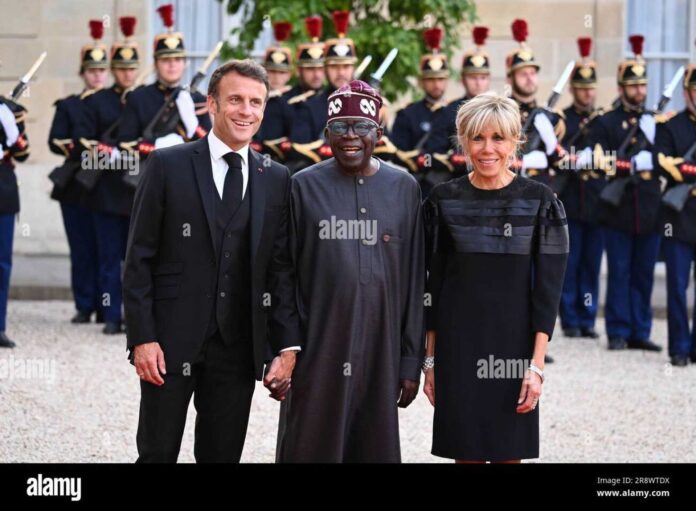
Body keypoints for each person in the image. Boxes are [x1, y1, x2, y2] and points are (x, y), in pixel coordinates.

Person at [123, 60, 302, 463]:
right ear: (212, 105)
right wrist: (142, 337)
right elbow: (138, 257)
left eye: (256, 102)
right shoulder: (167, 165)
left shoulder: (275, 177)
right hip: (168, 341)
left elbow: (280, 270)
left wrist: (287, 347)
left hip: (237, 346)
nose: (246, 111)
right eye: (235, 99)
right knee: (156, 453)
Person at [276, 80, 425, 463]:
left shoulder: (404, 187)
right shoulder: (302, 187)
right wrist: (287, 348)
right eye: (340, 127)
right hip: (318, 350)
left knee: (371, 447)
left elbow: (413, 282)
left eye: (362, 127)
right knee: (310, 446)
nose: (350, 137)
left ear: (379, 132)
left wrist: (411, 360)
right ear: (327, 133)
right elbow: (283, 275)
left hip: (382, 350)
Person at [423, 92, 568, 462]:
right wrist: (430, 361)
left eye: (498, 138)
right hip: (457, 349)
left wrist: (536, 367)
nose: (487, 149)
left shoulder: (541, 201)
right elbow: (432, 288)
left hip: (514, 350)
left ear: (515, 142)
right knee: (465, 453)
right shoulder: (442, 200)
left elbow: (547, 294)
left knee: (509, 453)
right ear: (464, 141)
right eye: (477, 138)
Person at [590, 35, 662, 352]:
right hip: (617, 207)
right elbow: (599, 161)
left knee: (643, 272)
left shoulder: (656, 122)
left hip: (648, 207)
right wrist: (629, 163)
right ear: (621, 87)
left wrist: (654, 151)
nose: (639, 91)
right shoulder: (606, 122)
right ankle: (618, 329)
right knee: (619, 271)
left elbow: (667, 158)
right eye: (633, 86)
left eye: (643, 85)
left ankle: (640, 329)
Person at [78, 16, 140, 335]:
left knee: (138, 260)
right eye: (122, 68)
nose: (128, 74)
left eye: (132, 68)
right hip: (106, 188)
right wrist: (109, 151)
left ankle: (135, 316)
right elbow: (85, 140)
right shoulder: (98, 100)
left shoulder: (145, 99)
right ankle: (110, 314)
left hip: (138, 190)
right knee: (108, 257)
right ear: (113, 69)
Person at [48, 19, 107, 325]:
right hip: (76, 184)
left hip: (107, 185)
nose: (97, 75)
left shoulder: (116, 103)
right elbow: (55, 140)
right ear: (83, 73)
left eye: (101, 70)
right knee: (81, 247)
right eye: (92, 70)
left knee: (107, 249)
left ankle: (108, 306)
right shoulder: (69, 105)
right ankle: (85, 304)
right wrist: (81, 147)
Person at [118, 3, 210, 164]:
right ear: (155, 64)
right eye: (165, 60)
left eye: (177, 59)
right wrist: (157, 147)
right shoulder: (138, 97)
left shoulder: (198, 98)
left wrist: (194, 127)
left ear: (185, 63)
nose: (172, 65)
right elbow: (125, 144)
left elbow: (210, 147)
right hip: (150, 177)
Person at [557, 37, 605, 339]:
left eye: (591, 88)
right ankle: (570, 319)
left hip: (598, 201)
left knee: (592, 263)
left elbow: (611, 159)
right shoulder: (563, 121)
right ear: (573, 89)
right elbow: (556, 158)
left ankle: (588, 318)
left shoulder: (602, 121)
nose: (586, 93)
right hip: (571, 199)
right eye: (581, 88)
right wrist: (573, 161)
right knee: (570, 264)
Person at [654, 55, 696, 366]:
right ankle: (679, 347)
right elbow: (666, 165)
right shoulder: (672, 126)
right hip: (679, 219)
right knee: (677, 287)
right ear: (687, 93)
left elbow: (682, 168)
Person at [390, 27, 449, 194]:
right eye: (431, 79)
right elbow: (398, 153)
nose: (436, 84)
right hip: (415, 187)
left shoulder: (456, 113)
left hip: (449, 188)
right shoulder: (408, 114)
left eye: (440, 79)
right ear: (422, 81)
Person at [0, 74, 30, 348]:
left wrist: (12, 131)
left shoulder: (7, 108)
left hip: (2, 192)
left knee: (1, 263)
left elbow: (23, 153)